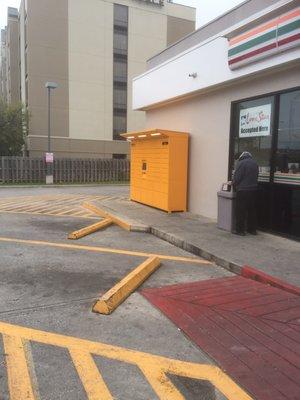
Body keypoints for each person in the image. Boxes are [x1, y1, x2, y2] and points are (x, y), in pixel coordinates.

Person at [232, 151, 259, 236]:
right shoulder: (255, 163)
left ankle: (240, 230)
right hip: (253, 190)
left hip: (243, 190)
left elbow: (237, 178)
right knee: (252, 210)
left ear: (241, 157)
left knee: (240, 211)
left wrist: (233, 184)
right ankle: (252, 230)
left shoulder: (241, 163)